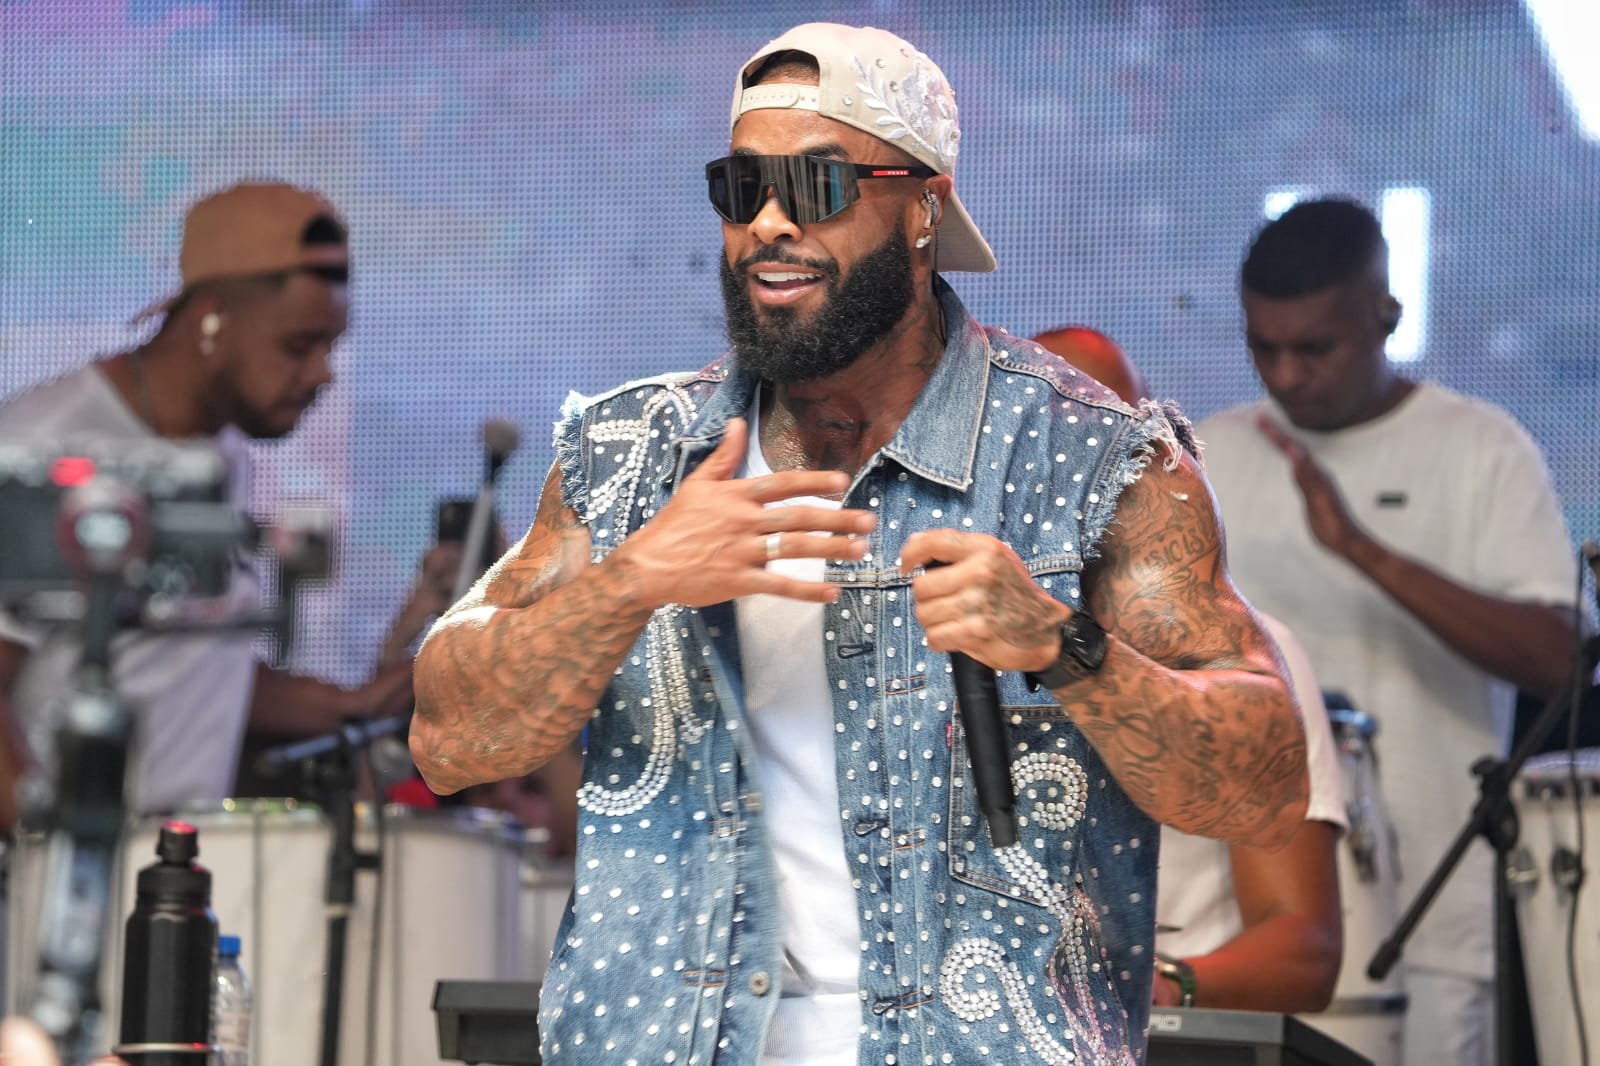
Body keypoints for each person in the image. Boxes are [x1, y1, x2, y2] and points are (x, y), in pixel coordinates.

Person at [411, 23, 1309, 1065]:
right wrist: (629, 583)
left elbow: (1266, 789)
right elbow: (449, 742)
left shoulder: (1088, 458)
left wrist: (1063, 647)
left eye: (818, 185)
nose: (770, 222)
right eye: (742, 188)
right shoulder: (635, 454)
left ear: (924, 209)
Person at [1196, 197, 1580, 1066]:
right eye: (1264, 347)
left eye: (1315, 348)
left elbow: (1563, 659)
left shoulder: (1480, 448)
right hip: (1254, 921)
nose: (1287, 375)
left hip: (1431, 914)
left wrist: (1365, 553)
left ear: (1388, 315)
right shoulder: (1208, 454)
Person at [0, 182, 413, 823]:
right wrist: (53, 844)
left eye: (331, 347)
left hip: (173, 861)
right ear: (212, 320)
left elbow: (184, 661)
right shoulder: (43, 449)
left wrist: (352, 704)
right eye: (298, 345)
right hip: (67, 870)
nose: (323, 374)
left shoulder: (217, 453)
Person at [1034, 325, 1346, 1012]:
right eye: (1046, 432)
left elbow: (1303, 950)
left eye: (1113, 438)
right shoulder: (941, 626)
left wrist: (1164, 987)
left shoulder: (1250, 658)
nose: (1081, 463)